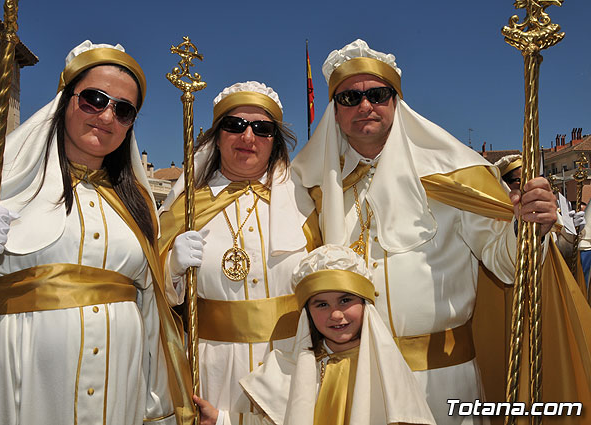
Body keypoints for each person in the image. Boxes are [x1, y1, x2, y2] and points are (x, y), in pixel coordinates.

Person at [292, 39, 558, 423]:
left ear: (396, 102)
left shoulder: (455, 176)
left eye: (377, 94)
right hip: (358, 378)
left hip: (442, 378)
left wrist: (528, 226)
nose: (364, 105)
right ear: (334, 112)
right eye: (349, 98)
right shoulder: (314, 189)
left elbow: (507, 266)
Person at [0, 41, 192, 425]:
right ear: (65, 101)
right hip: (17, 381)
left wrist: (157, 404)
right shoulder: (3, 183)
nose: (107, 116)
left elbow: (150, 311)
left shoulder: (139, 205)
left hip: (121, 389)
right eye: (94, 99)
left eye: (124, 110)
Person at [159, 81, 320, 425]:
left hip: (289, 361)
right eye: (235, 125)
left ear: (274, 140)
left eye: (262, 129)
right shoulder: (186, 205)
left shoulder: (304, 202)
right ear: (216, 136)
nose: (248, 137)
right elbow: (149, 284)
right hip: (212, 367)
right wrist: (171, 264)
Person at [196, 244, 436, 425]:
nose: (335, 314)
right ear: (307, 313)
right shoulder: (294, 368)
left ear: (365, 304)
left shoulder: (384, 369)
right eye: (321, 305)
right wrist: (221, 419)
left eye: (345, 300)